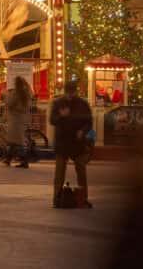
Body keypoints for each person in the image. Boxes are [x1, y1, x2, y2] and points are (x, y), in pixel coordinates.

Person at [49, 78, 93, 207]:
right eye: (68, 93)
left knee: (81, 170)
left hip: (77, 142)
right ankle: (57, 199)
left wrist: (82, 131)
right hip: (62, 142)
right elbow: (52, 120)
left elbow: (89, 122)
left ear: (76, 92)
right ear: (65, 92)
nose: (70, 95)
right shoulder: (58, 103)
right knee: (60, 172)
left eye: (72, 93)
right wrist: (61, 116)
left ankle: (82, 198)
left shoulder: (83, 104)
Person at [3, 76, 32, 168]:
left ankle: (24, 160)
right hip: (22, 118)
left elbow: (9, 103)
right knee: (14, 140)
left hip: (15, 119)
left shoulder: (16, 93)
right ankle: (8, 159)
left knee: (17, 141)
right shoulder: (27, 93)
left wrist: (5, 96)